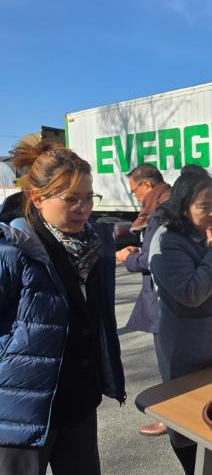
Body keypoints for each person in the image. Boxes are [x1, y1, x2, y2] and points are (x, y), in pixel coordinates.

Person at [0, 140, 125, 475]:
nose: (83, 208)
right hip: (22, 411)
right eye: (71, 199)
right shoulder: (13, 248)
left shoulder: (91, 247)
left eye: (89, 197)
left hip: (79, 400)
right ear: (38, 198)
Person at [149, 172, 212, 475]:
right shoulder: (167, 240)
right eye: (205, 206)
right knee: (188, 420)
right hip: (189, 350)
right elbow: (190, 292)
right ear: (184, 205)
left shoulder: (207, 231)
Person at [115, 164, 171, 437]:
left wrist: (128, 258)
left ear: (147, 185)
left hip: (162, 298)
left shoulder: (160, 210)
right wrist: (141, 250)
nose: (135, 196)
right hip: (174, 296)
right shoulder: (174, 202)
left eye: (135, 190)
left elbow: (154, 258)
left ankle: (170, 418)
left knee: (168, 362)